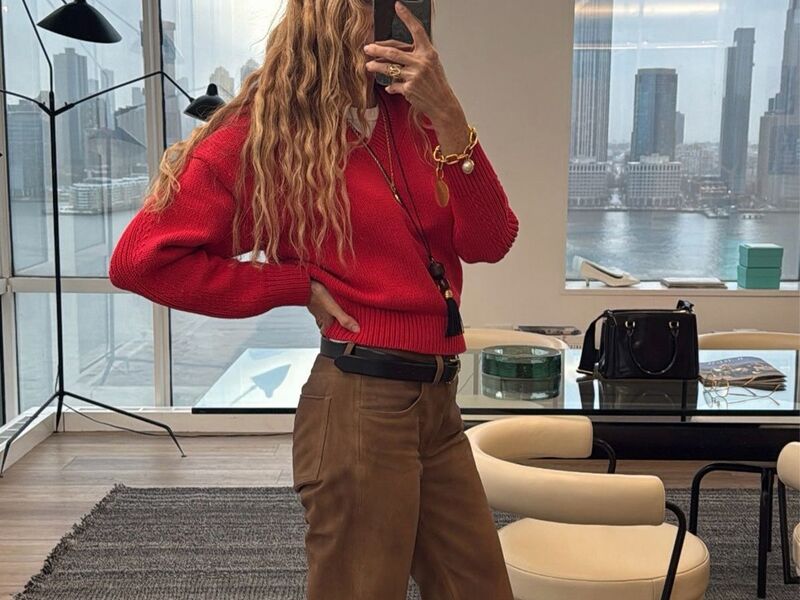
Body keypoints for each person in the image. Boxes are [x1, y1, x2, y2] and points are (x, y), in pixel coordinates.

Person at [108, 1, 519, 598]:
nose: (401, 22)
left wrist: (451, 116)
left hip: (438, 404)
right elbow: (141, 261)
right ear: (330, 16)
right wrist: (291, 284)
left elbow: (491, 241)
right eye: (378, 7)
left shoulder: (418, 116)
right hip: (360, 405)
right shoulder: (267, 135)